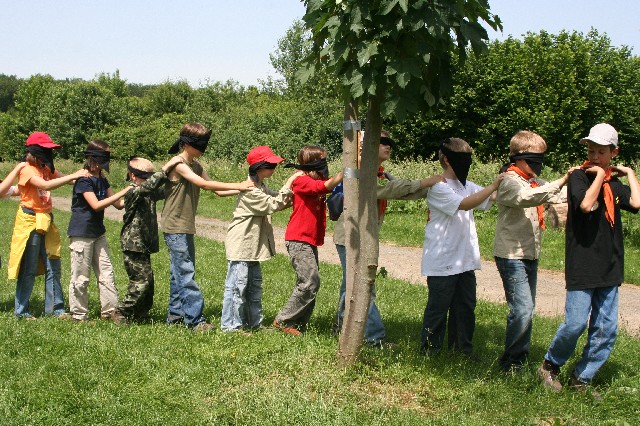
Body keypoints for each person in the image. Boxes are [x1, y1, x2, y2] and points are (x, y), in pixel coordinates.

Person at [538, 123, 640, 399]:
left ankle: (582, 377)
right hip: (583, 262)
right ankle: (550, 365)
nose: (594, 156)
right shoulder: (579, 177)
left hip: (610, 263)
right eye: (590, 150)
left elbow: (637, 202)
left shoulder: (614, 185)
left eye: (601, 152)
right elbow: (585, 205)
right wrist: (598, 176)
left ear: (613, 153)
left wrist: (630, 173)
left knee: (606, 328)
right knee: (575, 323)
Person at [332, 130, 441, 346]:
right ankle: (374, 338)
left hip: (359, 236)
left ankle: (341, 327)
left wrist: (431, 189)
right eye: (382, 142)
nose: (388, 146)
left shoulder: (378, 170)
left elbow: (396, 190)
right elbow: (385, 191)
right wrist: (425, 182)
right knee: (363, 286)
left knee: (351, 284)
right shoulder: (362, 169)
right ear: (365, 145)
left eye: (389, 142)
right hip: (353, 237)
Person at [161, 122, 255, 332]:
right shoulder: (178, 163)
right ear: (186, 143)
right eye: (200, 143)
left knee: (179, 272)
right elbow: (203, 185)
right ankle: (195, 320)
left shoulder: (196, 165)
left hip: (185, 226)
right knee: (185, 272)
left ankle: (176, 316)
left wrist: (244, 188)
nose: (204, 147)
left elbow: (218, 191)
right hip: (174, 225)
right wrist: (238, 185)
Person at [493, 130, 574, 372]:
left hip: (530, 253)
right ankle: (511, 363)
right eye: (534, 159)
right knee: (522, 310)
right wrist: (559, 181)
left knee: (527, 310)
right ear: (519, 157)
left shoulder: (534, 181)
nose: (539, 165)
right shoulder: (508, 181)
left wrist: (582, 180)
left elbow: (558, 194)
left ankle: (519, 356)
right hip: (511, 255)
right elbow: (526, 198)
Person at [420, 137, 503, 356]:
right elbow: (465, 204)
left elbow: (490, 196)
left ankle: (462, 350)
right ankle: (430, 351)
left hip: (464, 260)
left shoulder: (466, 185)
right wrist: (493, 184)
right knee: (438, 309)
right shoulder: (439, 187)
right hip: (442, 259)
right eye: (462, 159)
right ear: (446, 160)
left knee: (465, 307)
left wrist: (509, 182)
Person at [221, 146, 302, 332]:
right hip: (242, 246)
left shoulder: (261, 187)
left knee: (253, 288)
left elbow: (280, 199)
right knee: (237, 289)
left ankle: (253, 323)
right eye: (271, 165)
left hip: (253, 247)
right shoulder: (250, 190)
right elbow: (273, 204)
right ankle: (230, 327)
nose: (274, 168)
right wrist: (290, 181)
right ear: (259, 167)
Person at [8, 132, 87, 319]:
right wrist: (72, 176)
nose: (48, 154)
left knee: (53, 265)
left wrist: (85, 176)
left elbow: (67, 179)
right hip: (30, 222)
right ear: (35, 151)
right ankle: (22, 311)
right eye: (45, 150)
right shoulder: (27, 169)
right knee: (29, 267)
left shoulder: (45, 167)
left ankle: (56, 309)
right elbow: (45, 186)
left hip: (46, 220)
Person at [273, 145, 343, 335]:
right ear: (312, 162)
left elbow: (327, 185)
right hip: (298, 239)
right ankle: (283, 320)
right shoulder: (301, 181)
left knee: (310, 282)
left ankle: (297, 324)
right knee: (310, 282)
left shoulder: (315, 179)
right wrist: (345, 172)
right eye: (322, 160)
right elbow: (322, 187)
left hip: (309, 240)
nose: (325, 164)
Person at [113, 156, 183, 324]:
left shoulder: (147, 191)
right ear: (132, 176)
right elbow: (150, 185)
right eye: (145, 177)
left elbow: (164, 190)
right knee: (141, 281)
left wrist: (178, 176)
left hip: (143, 243)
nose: (148, 180)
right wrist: (166, 168)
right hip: (132, 243)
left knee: (149, 282)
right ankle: (122, 311)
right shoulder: (132, 192)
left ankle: (140, 314)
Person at [68, 139, 131, 322]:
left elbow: (118, 204)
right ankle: (79, 315)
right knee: (81, 276)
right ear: (92, 157)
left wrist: (136, 193)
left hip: (98, 232)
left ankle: (110, 312)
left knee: (106, 272)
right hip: (81, 233)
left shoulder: (102, 178)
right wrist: (124, 191)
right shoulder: (84, 180)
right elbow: (96, 205)